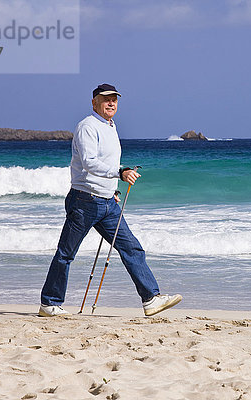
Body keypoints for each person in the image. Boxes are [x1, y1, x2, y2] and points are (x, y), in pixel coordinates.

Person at [39, 83, 182, 317]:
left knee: (132, 247)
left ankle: (150, 299)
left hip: (107, 203)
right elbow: (89, 162)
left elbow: (104, 162)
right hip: (84, 202)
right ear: (94, 102)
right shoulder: (87, 126)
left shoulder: (111, 126)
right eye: (105, 99)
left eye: (114, 99)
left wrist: (113, 188)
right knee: (66, 253)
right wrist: (120, 172)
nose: (111, 103)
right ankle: (49, 303)